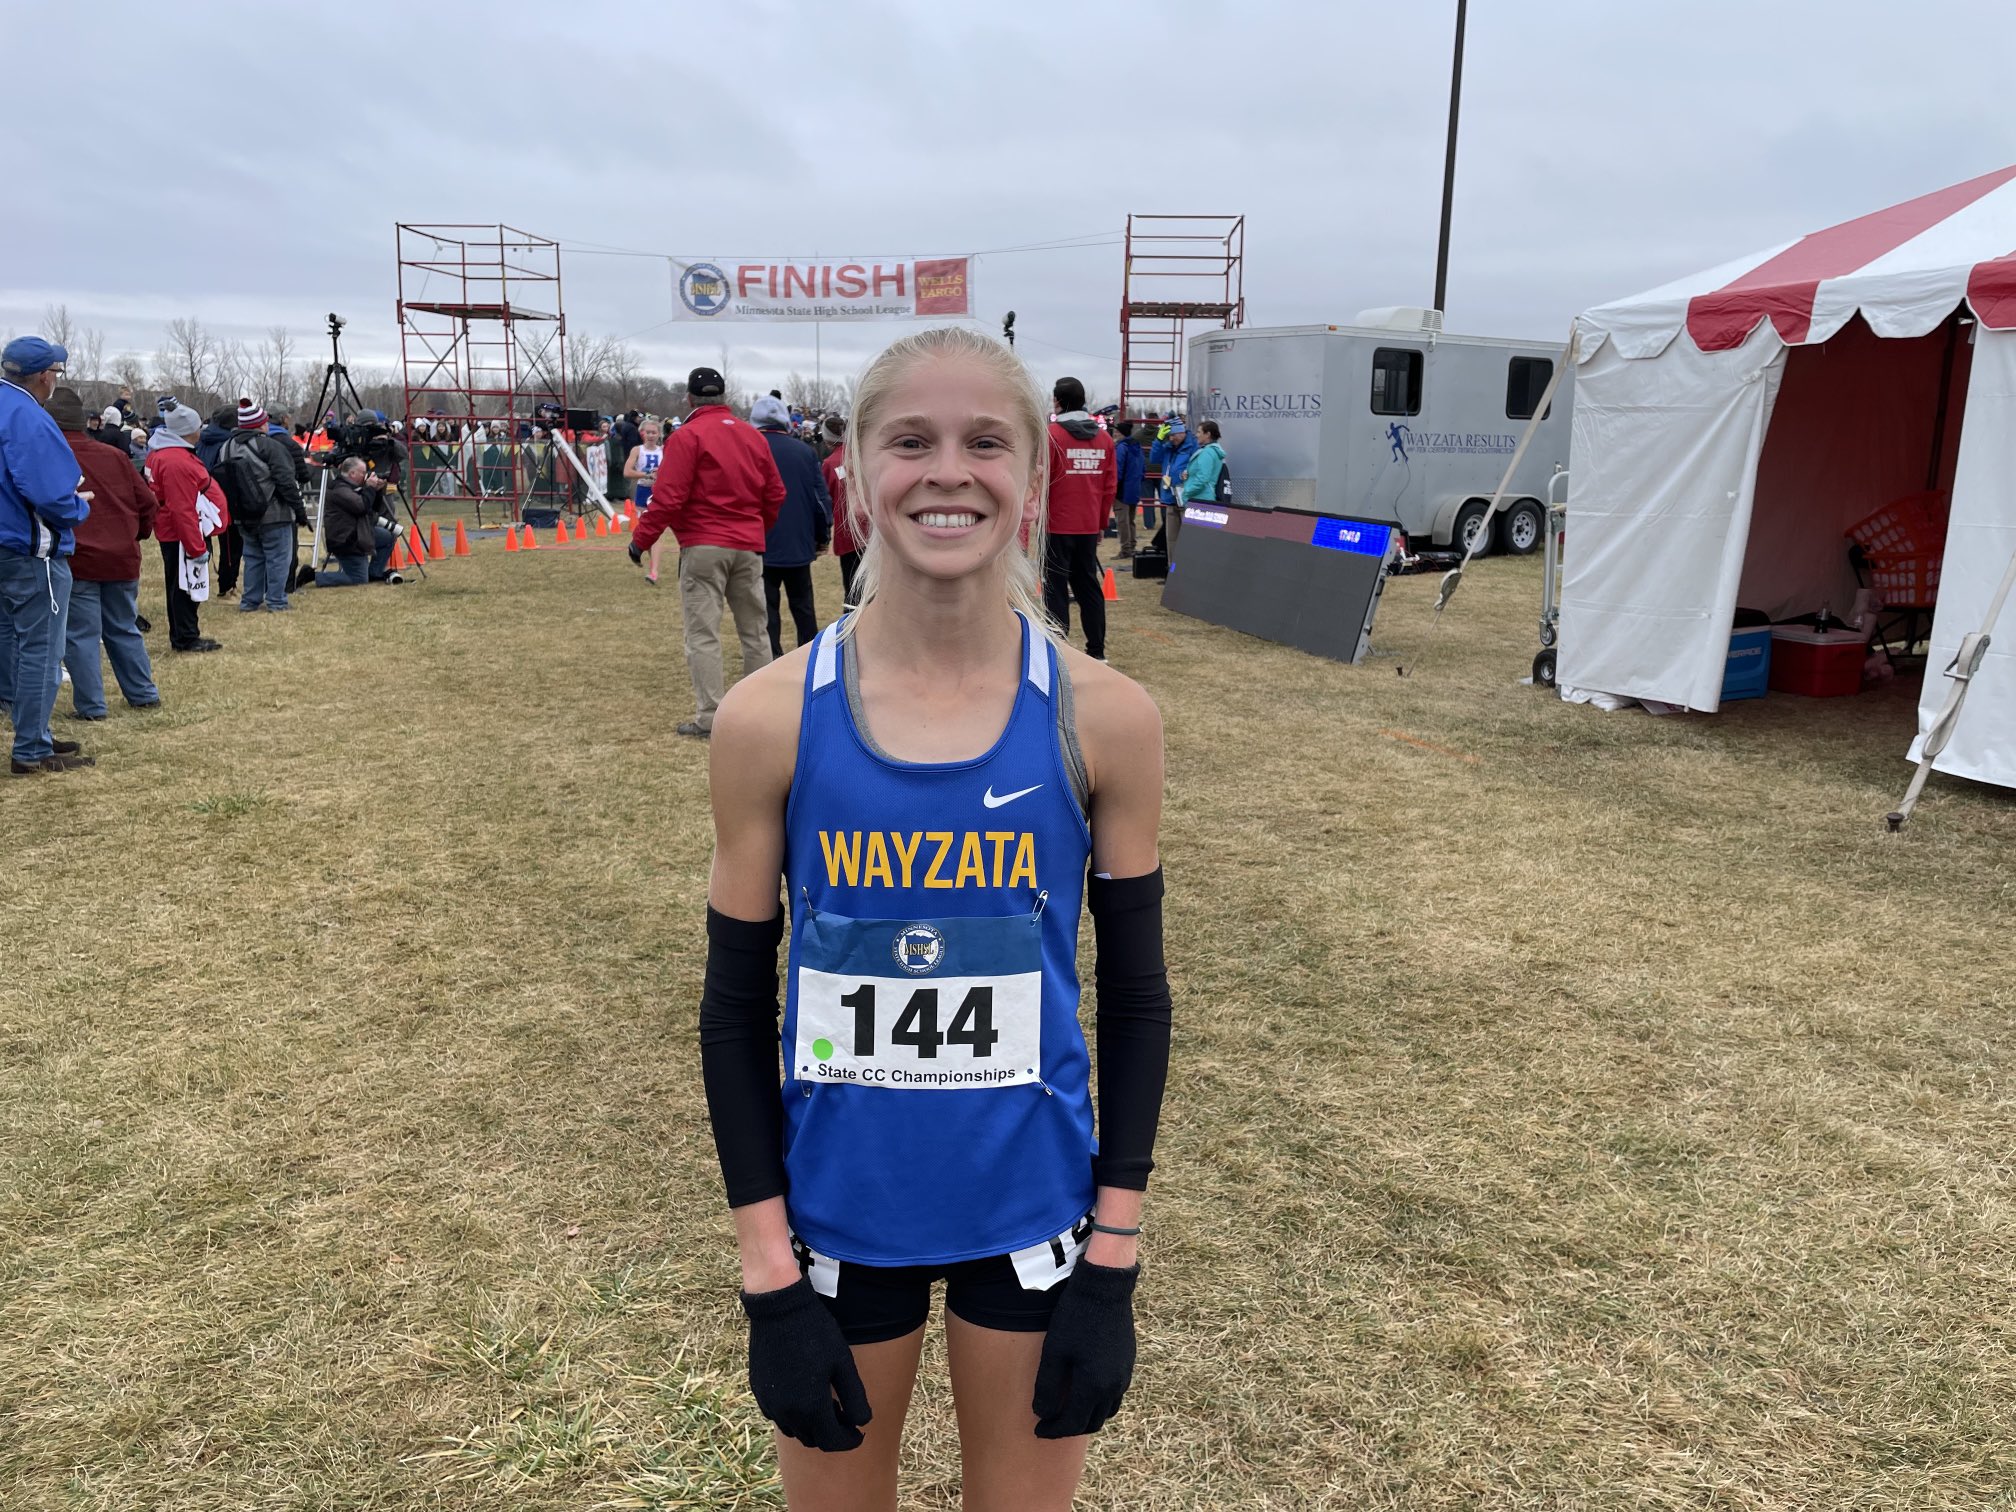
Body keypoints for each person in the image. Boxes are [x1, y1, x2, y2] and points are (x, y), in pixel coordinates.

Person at [699, 325, 1171, 1510]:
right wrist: (768, 1273)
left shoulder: (1106, 718)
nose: (948, 472)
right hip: (836, 1222)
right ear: (854, 475)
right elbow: (732, 1006)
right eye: (910, 441)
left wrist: (1111, 1259)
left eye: (984, 442)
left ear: (1033, 474)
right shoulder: (769, 718)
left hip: (1037, 1218)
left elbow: (1138, 998)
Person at [628, 365, 784, 739]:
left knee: (703, 633)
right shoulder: (752, 436)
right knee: (755, 631)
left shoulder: (687, 437)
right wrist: (755, 530)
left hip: (703, 544)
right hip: (746, 544)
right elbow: (775, 493)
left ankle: (711, 716)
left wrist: (641, 539)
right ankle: (761, 712)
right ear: (724, 397)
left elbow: (668, 497)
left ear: (690, 399)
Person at [0, 337, 95, 774]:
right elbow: (49, 493)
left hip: (7, 544)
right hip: (28, 548)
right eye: (55, 373)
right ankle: (32, 749)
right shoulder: (27, 417)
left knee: (13, 642)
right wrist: (79, 506)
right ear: (44, 376)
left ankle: (31, 729)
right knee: (40, 648)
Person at [46, 386, 159, 719]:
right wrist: (133, 534)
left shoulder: (51, 456)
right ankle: (143, 694)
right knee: (124, 626)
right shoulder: (115, 456)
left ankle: (93, 706)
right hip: (121, 556)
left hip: (77, 556)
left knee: (81, 634)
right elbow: (148, 502)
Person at [751, 395, 831, 659]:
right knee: (803, 608)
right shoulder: (804, 452)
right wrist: (822, 535)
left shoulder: (749, 448)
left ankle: (770, 659)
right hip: (797, 542)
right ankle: (810, 657)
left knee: (766, 609)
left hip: (759, 542)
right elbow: (820, 500)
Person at [1042, 377, 1116, 661]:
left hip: (1057, 525)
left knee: (1056, 588)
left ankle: (1058, 652)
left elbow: (1041, 481)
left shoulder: (1052, 435)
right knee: (1089, 587)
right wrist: (1099, 524)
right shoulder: (1104, 439)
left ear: (1057, 402)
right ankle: (1096, 651)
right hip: (1086, 525)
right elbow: (1109, 486)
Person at [212, 399, 306, 613]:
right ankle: (276, 601)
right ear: (260, 424)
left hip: (242, 515)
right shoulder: (269, 446)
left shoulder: (226, 447)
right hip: (273, 513)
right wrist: (299, 511)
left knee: (253, 557)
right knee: (279, 558)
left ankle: (250, 601)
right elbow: (286, 481)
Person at [145, 404, 225, 654]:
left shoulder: (165, 453)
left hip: (176, 531)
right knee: (185, 587)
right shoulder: (175, 460)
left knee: (180, 586)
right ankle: (186, 637)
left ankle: (184, 634)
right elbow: (183, 508)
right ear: (189, 430)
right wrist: (196, 547)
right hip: (182, 534)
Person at [295, 458, 400, 587]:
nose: (365, 475)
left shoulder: (352, 487)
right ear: (352, 474)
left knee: (388, 537)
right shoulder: (339, 489)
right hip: (346, 540)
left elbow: (372, 509)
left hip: (358, 534)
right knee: (358, 578)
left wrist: (376, 491)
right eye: (363, 472)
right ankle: (313, 576)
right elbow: (361, 507)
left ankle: (374, 573)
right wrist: (370, 488)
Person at [819, 415, 869, 606]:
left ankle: (853, 627)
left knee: (852, 589)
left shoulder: (830, 463)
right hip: (872, 530)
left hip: (848, 534)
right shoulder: (862, 454)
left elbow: (826, 499)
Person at [623, 419, 667, 584]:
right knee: (645, 530)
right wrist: (646, 475)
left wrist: (660, 475)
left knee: (657, 532)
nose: (650, 435)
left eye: (654, 432)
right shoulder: (637, 450)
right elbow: (627, 472)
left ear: (659, 434)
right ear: (642, 433)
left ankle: (654, 571)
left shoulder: (664, 450)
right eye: (647, 432)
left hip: (659, 492)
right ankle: (639, 552)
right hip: (643, 491)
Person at [1110, 421, 1146, 560]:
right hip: (1134, 489)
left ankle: (1125, 549)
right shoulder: (1137, 447)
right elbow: (1143, 470)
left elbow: (1117, 470)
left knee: (1122, 521)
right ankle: (1131, 546)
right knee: (1130, 520)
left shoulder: (1121, 448)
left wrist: (1114, 486)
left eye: (1117, 431)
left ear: (1121, 433)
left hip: (1122, 491)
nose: (1115, 433)